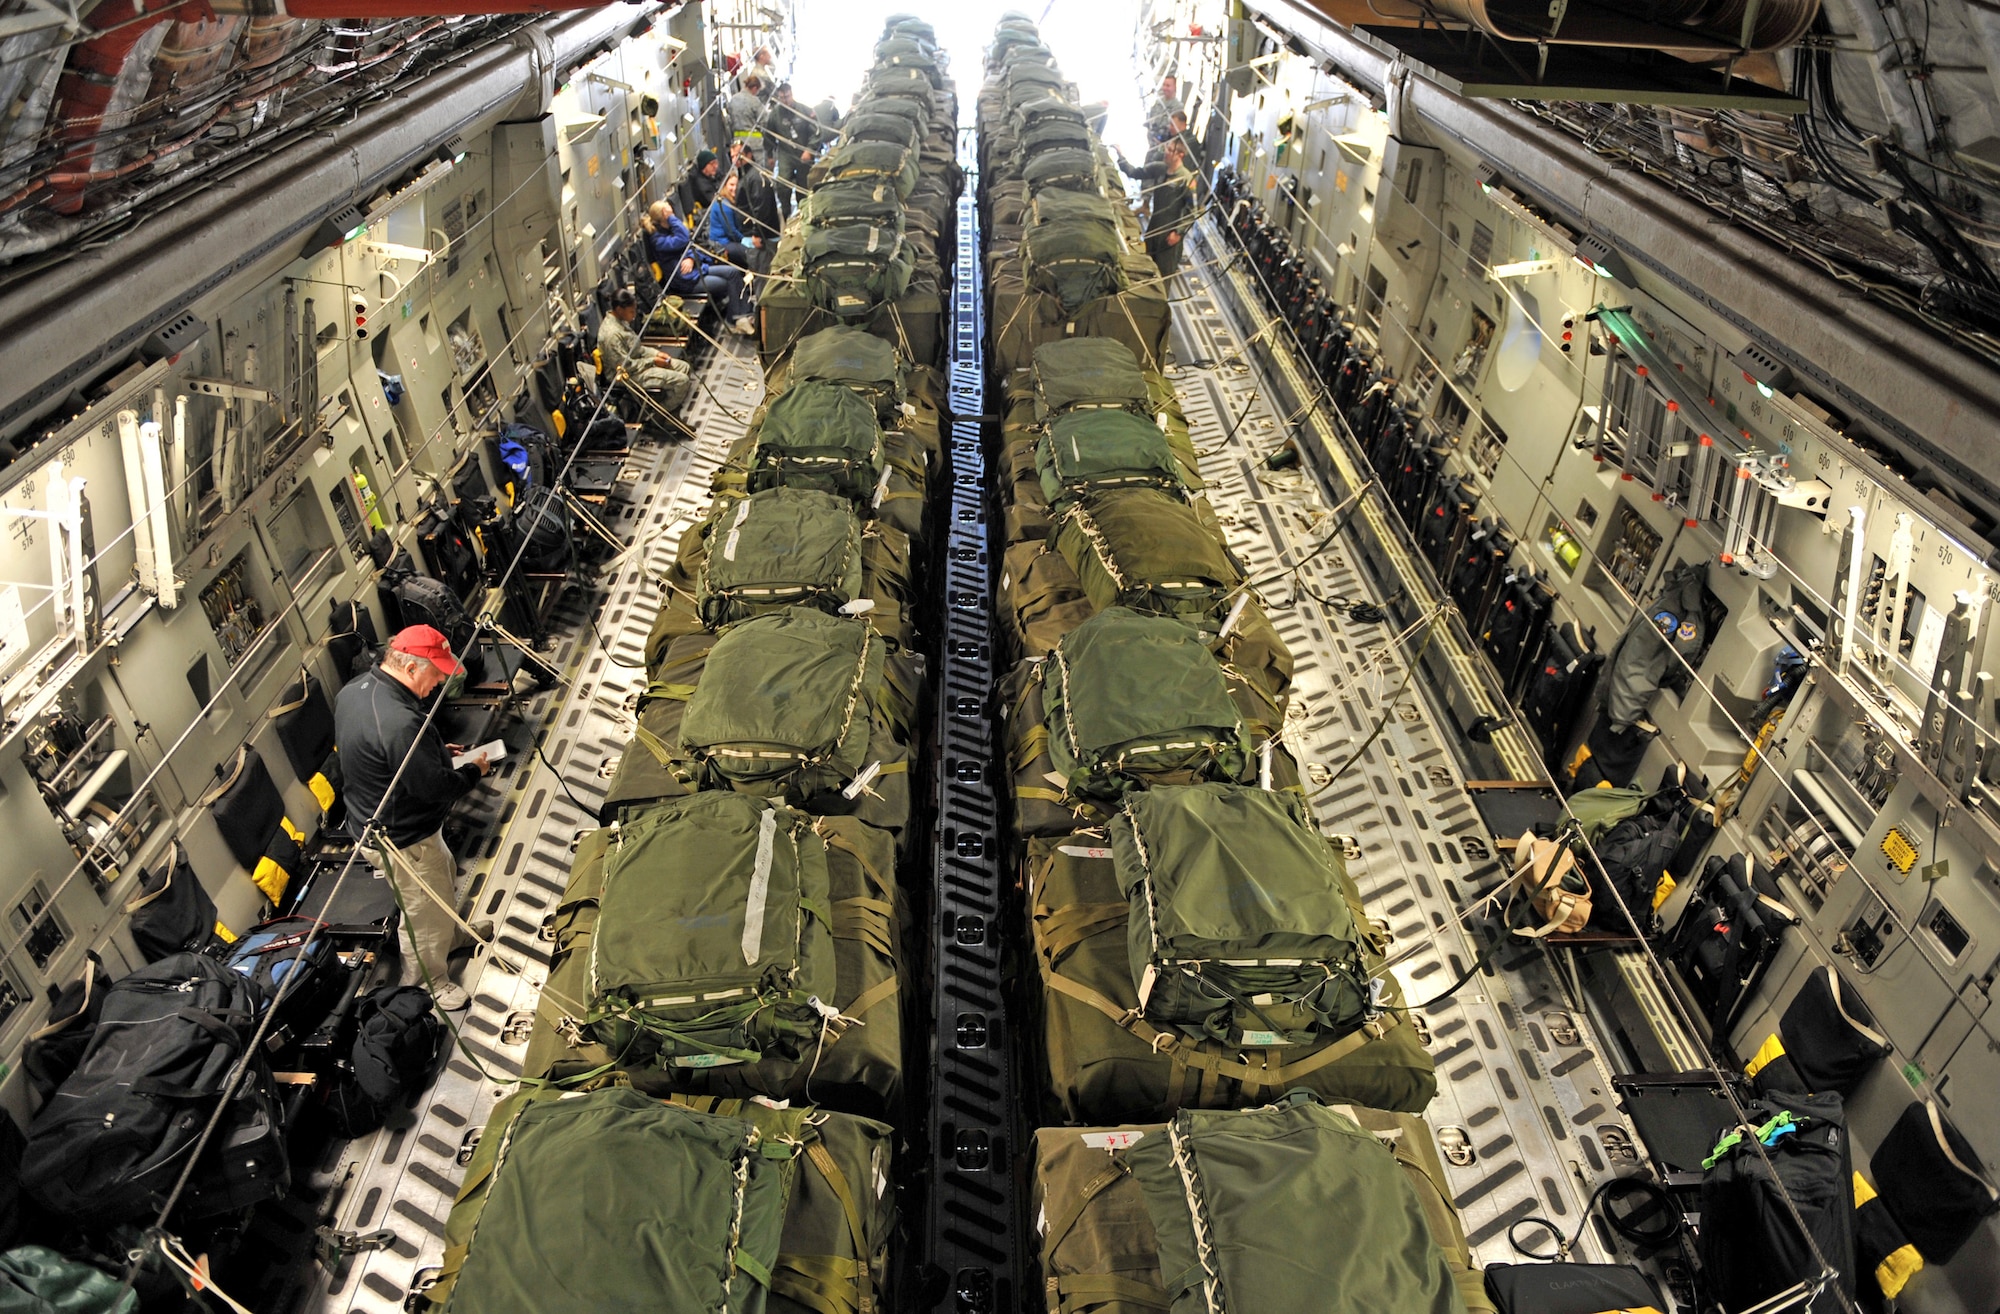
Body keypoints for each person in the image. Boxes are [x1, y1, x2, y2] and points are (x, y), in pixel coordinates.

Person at [333, 625, 494, 1012]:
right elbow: (436, 788)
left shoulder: (353, 691)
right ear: (410, 668)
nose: (440, 681)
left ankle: (452, 935)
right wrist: (474, 771)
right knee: (422, 911)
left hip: (385, 822)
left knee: (443, 873)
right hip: (403, 837)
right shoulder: (400, 723)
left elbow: (385, 753)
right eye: (436, 672)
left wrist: (434, 749)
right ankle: (428, 981)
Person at [644, 199, 754, 335]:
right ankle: (734, 320)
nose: (673, 215)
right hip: (686, 280)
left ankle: (741, 316)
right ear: (664, 217)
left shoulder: (671, 230)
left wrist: (690, 258)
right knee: (729, 283)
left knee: (733, 272)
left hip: (697, 269)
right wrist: (672, 219)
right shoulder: (658, 240)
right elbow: (684, 239)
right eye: (670, 213)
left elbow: (690, 243)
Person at [598, 287, 691, 409]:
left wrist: (656, 354)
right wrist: (652, 361)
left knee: (684, 367)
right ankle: (661, 414)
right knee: (682, 381)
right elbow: (625, 367)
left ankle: (667, 404)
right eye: (631, 311)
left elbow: (638, 349)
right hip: (627, 376)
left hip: (638, 363)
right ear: (619, 310)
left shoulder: (621, 321)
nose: (634, 315)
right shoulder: (612, 335)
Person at [1118, 137, 1196, 277]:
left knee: (1163, 275)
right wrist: (1121, 156)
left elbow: (1192, 212)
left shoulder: (1185, 179)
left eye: (1171, 150)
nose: (1166, 152)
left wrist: (1178, 232)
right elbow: (1135, 172)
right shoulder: (1159, 169)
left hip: (1169, 237)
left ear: (1180, 155)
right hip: (1154, 228)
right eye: (1167, 148)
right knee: (1146, 270)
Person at [762, 82, 817, 219]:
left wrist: (809, 150)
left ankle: (803, 213)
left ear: (791, 94)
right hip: (786, 153)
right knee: (782, 184)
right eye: (782, 98)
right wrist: (770, 155)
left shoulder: (805, 111)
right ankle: (786, 213)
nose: (785, 101)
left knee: (804, 187)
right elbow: (769, 136)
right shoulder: (775, 115)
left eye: (787, 97)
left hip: (803, 152)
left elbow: (816, 132)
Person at [733, 144, 783, 269]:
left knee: (762, 274)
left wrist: (758, 233)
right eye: (732, 156)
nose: (735, 159)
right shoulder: (746, 175)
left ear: (749, 155)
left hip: (761, 238)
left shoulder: (755, 177)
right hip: (751, 234)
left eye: (739, 155)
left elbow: (761, 206)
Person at [706, 171, 762, 274]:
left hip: (728, 241)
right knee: (751, 253)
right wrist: (745, 240)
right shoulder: (724, 205)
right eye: (731, 185)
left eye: (736, 185)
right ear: (724, 186)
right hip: (722, 244)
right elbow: (731, 231)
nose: (734, 188)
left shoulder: (728, 202)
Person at [726, 73, 766, 146]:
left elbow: (729, 120)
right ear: (754, 88)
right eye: (758, 91)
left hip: (737, 142)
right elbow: (764, 121)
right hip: (754, 143)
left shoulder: (733, 99)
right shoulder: (754, 101)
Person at [1146, 74, 1183, 144]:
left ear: (1175, 87)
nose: (1165, 88)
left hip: (1166, 144)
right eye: (1164, 85)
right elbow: (1150, 120)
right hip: (1151, 141)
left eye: (1168, 86)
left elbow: (1174, 128)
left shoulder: (1178, 107)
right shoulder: (1157, 103)